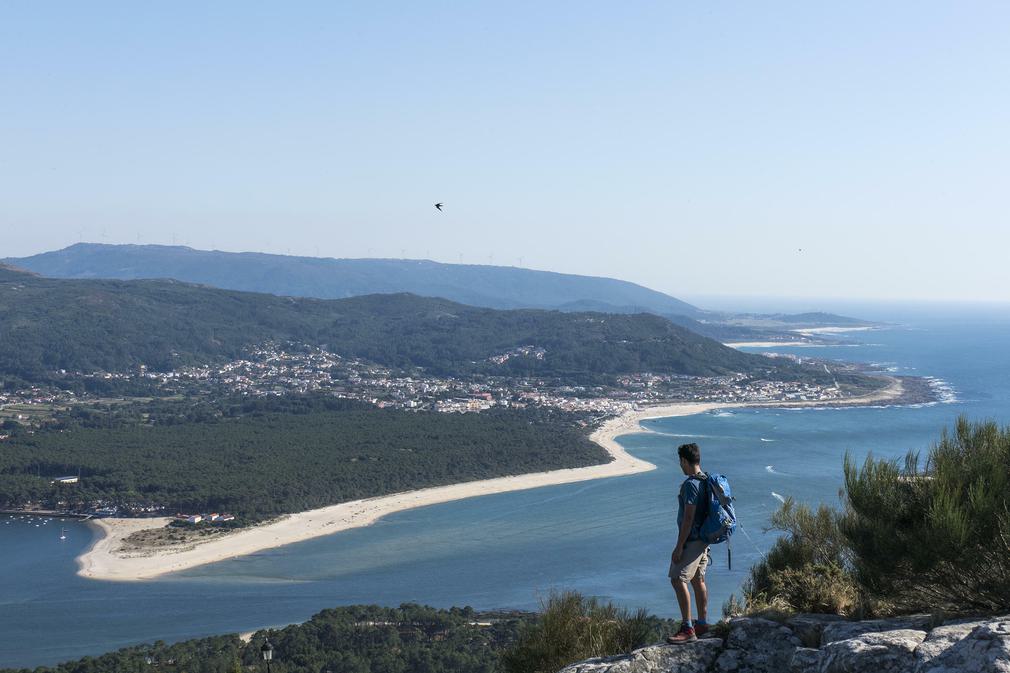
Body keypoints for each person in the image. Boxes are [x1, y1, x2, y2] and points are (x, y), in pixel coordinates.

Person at [666, 442, 711, 644]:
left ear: (685, 460)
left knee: (677, 578)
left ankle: (688, 628)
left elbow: (688, 518)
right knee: (697, 579)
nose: (680, 466)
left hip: (692, 540)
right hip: (705, 539)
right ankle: (702, 623)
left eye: (680, 462)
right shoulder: (706, 479)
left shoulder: (691, 485)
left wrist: (679, 546)